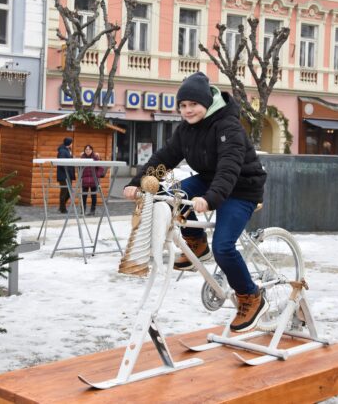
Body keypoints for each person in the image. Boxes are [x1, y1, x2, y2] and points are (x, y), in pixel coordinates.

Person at [123, 72, 268, 333]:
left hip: (242, 187)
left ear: (207, 103)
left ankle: (250, 296)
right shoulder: (186, 130)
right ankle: (196, 244)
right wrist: (137, 182)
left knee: (224, 247)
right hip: (210, 181)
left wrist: (211, 199)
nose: (188, 110)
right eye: (183, 106)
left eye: (193, 105)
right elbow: (164, 158)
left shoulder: (228, 127)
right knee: (171, 197)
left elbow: (229, 168)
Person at [80, 144, 104, 216]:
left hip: (94, 180)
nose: (88, 151)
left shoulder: (95, 157)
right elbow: (79, 168)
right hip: (85, 180)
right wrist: (81, 176)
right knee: (84, 196)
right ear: (84, 150)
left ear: (92, 150)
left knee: (94, 196)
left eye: (89, 149)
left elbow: (101, 168)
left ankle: (92, 210)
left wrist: (97, 175)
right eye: (86, 149)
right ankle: (83, 210)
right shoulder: (82, 158)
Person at [56, 137, 75, 214]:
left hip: (68, 175)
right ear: (69, 143)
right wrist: (67, 169)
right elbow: (61, 163)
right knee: (64, 191)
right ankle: (62, 208)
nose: (72, 144)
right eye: (71, 143)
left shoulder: (67, 150)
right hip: (63, 175)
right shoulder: (63, 151)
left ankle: (61, 207)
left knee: (69, 192)